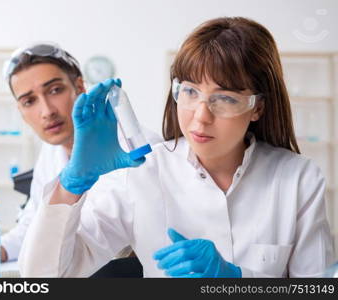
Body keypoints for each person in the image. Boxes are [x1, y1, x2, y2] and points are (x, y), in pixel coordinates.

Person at [18, 17, 335, 277]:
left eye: (225, 98)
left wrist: (238, 280)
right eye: (190, 91)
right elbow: (45, 276)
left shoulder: (298, 178)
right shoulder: (143, 172)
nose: (201, 116)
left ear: (257, 108)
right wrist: (73, 182)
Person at [0, 43, 162, 264]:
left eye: (55, 90)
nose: (47, 111)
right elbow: (33, 221)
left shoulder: (137, 150)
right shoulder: (51, 151)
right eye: (29, 101)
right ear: (21, 112)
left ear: (79, 87)